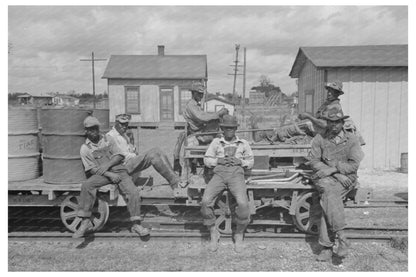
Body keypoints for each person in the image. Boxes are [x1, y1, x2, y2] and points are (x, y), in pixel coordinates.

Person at [73, 116, 149, 238]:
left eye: (94, 129)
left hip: (119, 170)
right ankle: (85, 222)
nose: (92, 132)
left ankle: (136, 224)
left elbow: (119, 156)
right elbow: (91, 169)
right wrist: (109, 174)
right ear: (85, 131)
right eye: (89, 130)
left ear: (98, 129)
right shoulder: (85, 148)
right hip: (102, 174)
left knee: (133, 192)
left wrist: (108, 165)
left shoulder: (108, 139)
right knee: (87, 185)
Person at [308, 107, 364, 261]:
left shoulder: (352, 139)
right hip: (325, 178)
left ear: (342, 122)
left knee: (328, 197)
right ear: (327, 123)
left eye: (337, 122)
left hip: (346, 178)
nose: (334, 126)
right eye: (330, 122)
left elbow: (354, 165)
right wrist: (335, 173)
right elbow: (313, 161)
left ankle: (326, 247)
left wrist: (335, 170)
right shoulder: (319, 138)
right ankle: (342, 237)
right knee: (328, 193)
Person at [201, 115, 254, 253]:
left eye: (232, 128)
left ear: (235, 129)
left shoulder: (243, 143)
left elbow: (250, 162)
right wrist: (218, 161)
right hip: (219, 174)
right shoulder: (216, 142)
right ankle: (213, 232)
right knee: (206, 201)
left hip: (236, 174)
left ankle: (239, 234)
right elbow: (207, 160)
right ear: (222, 129)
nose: (229, 130)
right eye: (226, 128)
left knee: (243, 204)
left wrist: (240, 162)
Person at [106, 114, 186, 197]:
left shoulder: (124, 135)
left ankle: (175, 180)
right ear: (115, 123)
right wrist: (135, 156)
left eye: (126, 124)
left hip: (128, 163)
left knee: (157, 150)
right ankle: (175, 183)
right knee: (154, 154)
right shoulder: (111, 136)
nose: (124, 127)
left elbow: (131, 150)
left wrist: (133, 148)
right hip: (121, 167)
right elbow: (119, 156)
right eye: (121, 124)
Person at [173, 82, 229, 173]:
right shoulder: (191, 105)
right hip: (198, 134)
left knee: (217, 123)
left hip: (201, 131)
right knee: (216, 123)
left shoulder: (196, 105)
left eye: (202, 94)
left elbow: (204, 116)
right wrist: (218, 113)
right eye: (199, 93)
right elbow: (202, 117)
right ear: (193, 93)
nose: (201, 96)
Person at [298, 81, 366, 145]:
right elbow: (319, 118)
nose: (329, 93)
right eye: (329, 91)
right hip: (317, 130)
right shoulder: (327, 104)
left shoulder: (335, 107)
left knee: (290, 130)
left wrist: (308, 117)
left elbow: (325, 124)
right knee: (294, 127)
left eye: (333, 92)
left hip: (324, 133)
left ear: (337, 94)